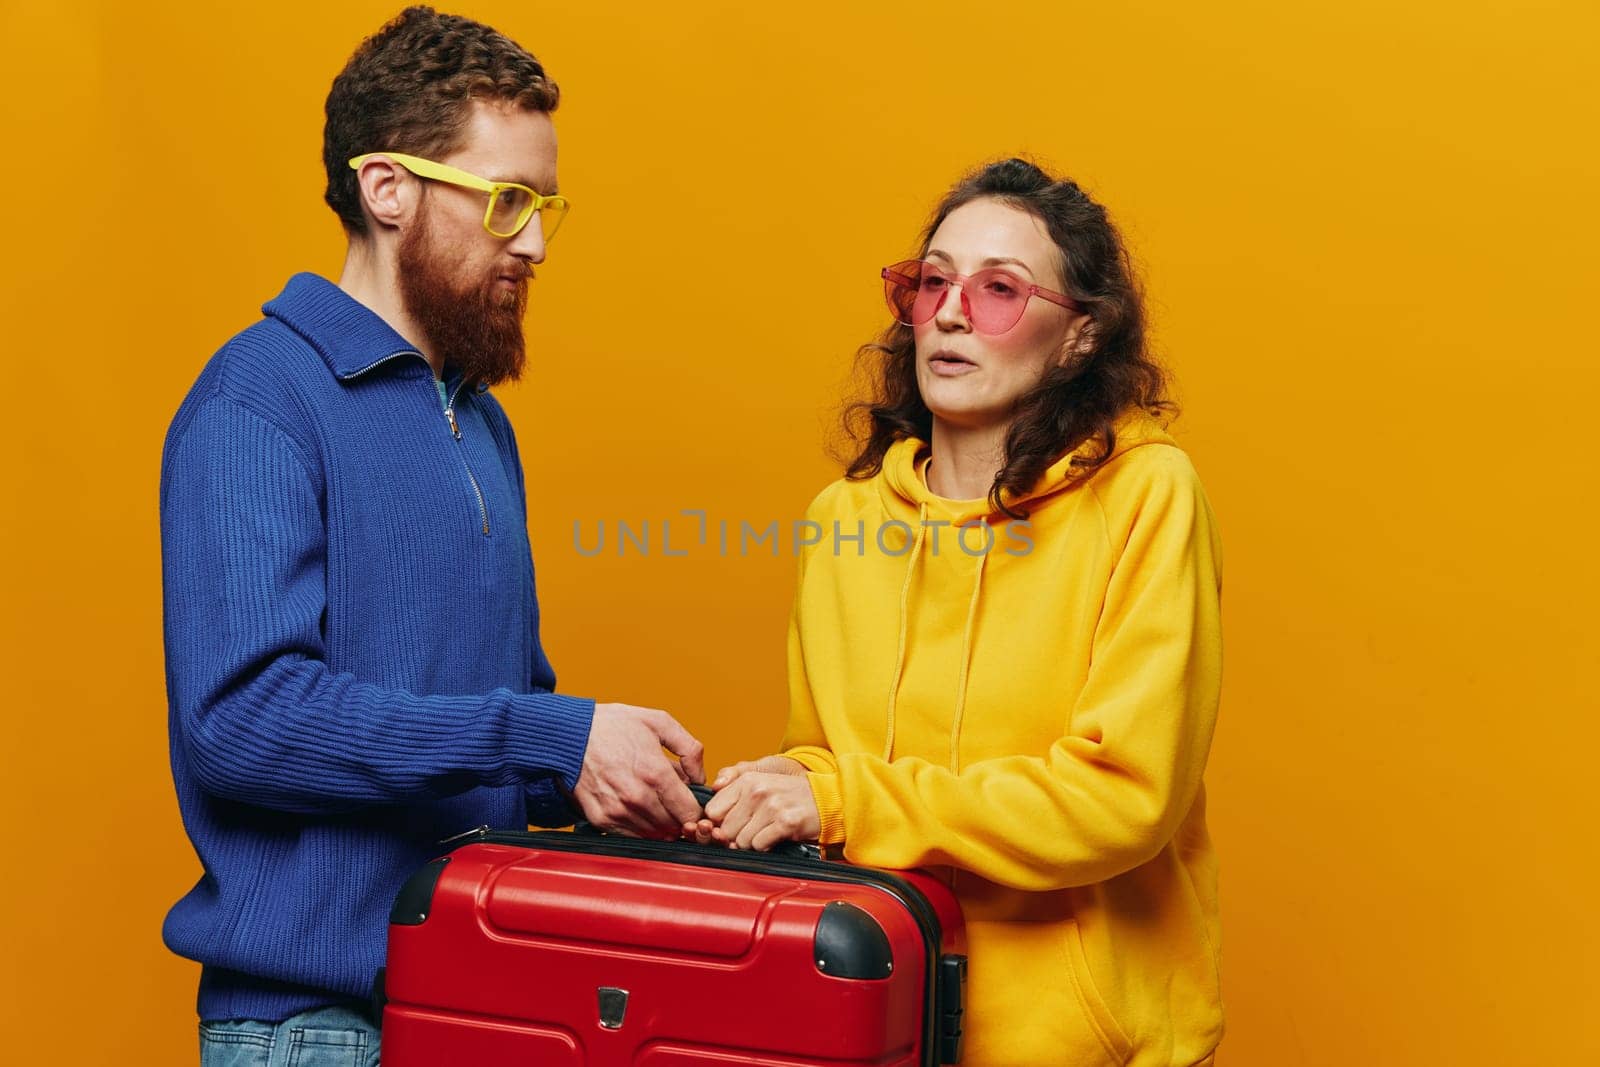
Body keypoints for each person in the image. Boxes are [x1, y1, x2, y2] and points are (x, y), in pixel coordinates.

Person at [159, 7, 705, 1062]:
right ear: (387, 188)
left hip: (478, 1002)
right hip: (317, 1028)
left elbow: (492, 728)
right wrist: (549, 734)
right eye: (506, 201)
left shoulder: (479, 419)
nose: (536, 240)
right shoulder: (259, 397)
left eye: (545, 204)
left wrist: (636, 778)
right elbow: (243, 720)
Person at [702, 159, 1225, 1066]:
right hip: (875, 1028)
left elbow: (1123, 796)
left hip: (1083, 1045)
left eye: (999, 291)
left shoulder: (1147, 495)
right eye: (933, 281)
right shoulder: (846, 520)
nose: (948, 312)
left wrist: (846, 799)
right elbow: (823, 763)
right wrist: (762, 798)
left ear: (1079, 337)